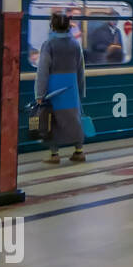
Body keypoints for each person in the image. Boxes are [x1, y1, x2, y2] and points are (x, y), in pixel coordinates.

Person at [35, 11, 87, 164]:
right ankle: (79, 151)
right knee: (74, 118)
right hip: (71, 88)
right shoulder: (75, 44)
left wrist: (39, 94)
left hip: (54, 88)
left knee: (52, 120)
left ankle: (54, 154)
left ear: (53, 26)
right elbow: (80, 69)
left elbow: (43, 70)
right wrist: (80, 90)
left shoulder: (49, 44)